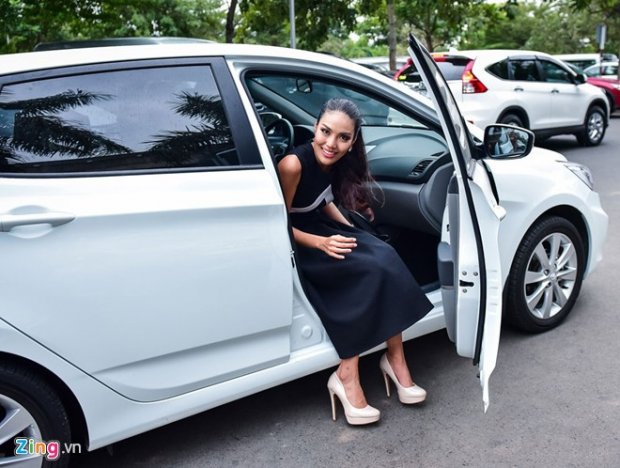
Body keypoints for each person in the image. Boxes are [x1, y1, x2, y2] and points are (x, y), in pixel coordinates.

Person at [277, 98, 434, 426]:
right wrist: (321, 242)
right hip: (300, 242)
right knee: (369, 269)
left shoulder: (332, 162)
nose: (331, 144)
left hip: (321, 230)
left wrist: (351, 229)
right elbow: (278, 224)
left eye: (343, 137)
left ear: (352, 142)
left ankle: (396, 358)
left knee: (384, 253)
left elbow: (322, 200)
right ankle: (348, 374)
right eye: (325, 132)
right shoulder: (293, 164)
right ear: (315, 127)